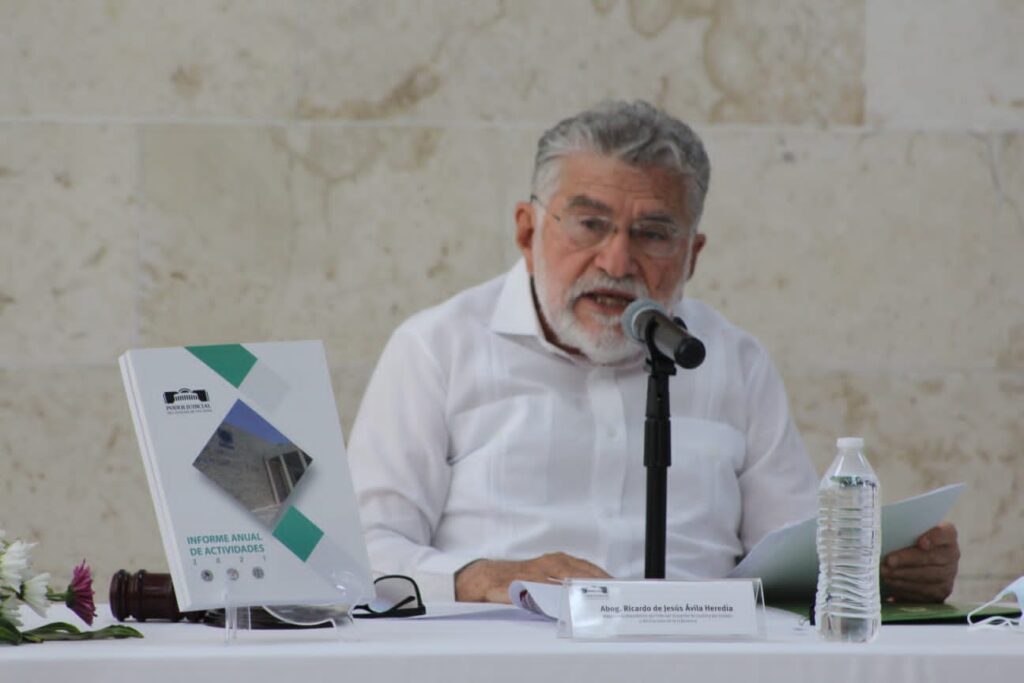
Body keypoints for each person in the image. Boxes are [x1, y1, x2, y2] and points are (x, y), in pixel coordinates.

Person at [346, 100, 960, 605]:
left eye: (653, 234)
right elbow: (361, 551)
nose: (617, 262)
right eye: (590, 225)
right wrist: (479, 577)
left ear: (692, 255)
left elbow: (796, 555)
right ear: (528, 232)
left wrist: (884, 569)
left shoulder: (735, 361)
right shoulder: (437, 349)